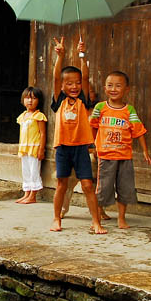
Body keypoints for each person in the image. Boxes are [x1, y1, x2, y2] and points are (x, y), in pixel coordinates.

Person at [49, 36, 106, 235]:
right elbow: (56, 77)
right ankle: (57, 218)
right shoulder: (60, 100)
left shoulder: (83, 99)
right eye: (69, 84)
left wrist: (82, 55)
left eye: (76, 83)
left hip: (81, 147)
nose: (74, 86)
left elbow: (86, 77)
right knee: (61, 184)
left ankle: (96, 222)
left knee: (88, 185)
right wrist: (61, 56)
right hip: (63, 147)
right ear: (63, 87)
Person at [89, 70, 151, 228]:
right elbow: (92, 127)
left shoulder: (129, 110)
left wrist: (145, 151)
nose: (114, 89)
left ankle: (121, 218)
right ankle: (97, 217)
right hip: (106, 156)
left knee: (125, 188)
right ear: (105, 88)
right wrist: (93, 145)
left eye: (118, 86)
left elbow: (138, 131)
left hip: (125, 157)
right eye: (110, 85)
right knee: (103, 188)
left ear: (127, 89)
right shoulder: (100, 107)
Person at [15, 86, 47, 204]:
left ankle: (33, 195)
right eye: (27, 98)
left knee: (34, 170)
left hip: (34, 147)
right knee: (26, 170)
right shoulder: (22, 116)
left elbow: (43, 134)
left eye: (33, 98)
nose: (30, 101)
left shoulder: (38, 116)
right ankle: (26, 193)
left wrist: (41, 149)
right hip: (24, 147)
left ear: (38, 101)